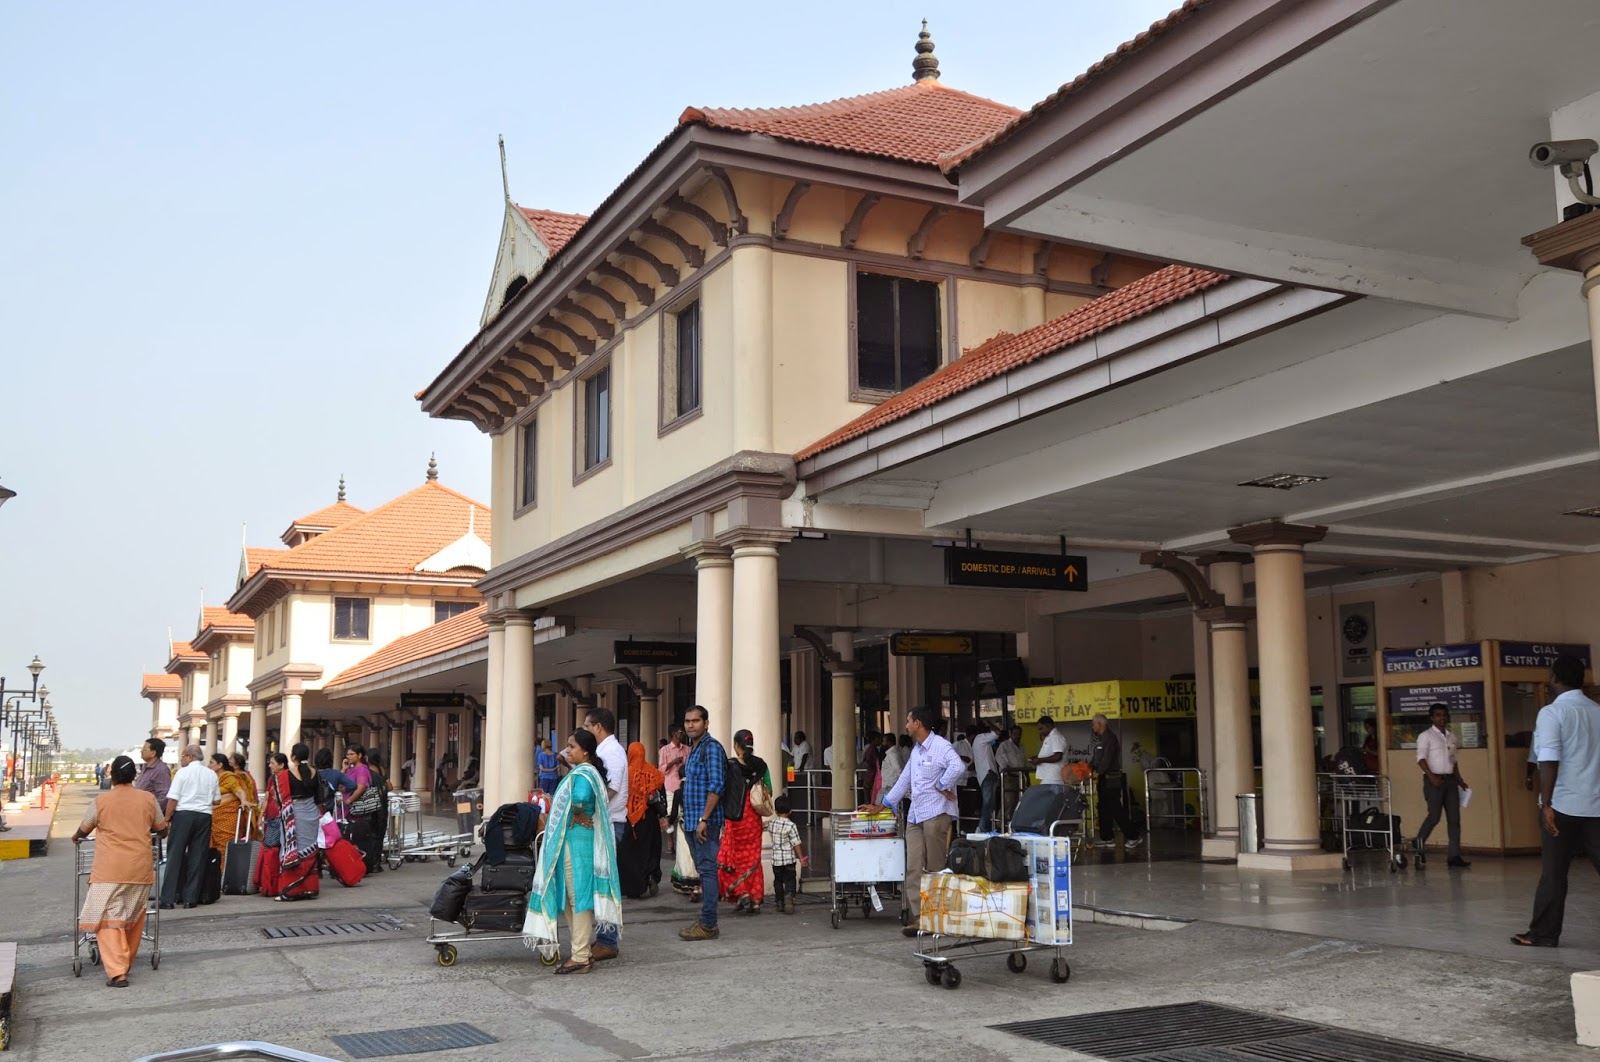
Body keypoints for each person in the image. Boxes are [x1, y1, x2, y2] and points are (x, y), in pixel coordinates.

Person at [1513, 654, 1600, 947]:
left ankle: (1544, 934)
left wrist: (1547, 803)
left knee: (1554, 873)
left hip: (1563, 807)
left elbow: (1548, 760)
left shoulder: (1552, 713)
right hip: (1597, 805)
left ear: (1555, 678)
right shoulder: (1597, 712)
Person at [859, 705, 965, 937]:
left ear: (918, 724)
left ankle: (936, 917)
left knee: (935, 867)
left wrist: (942, 785)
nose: (906, 725)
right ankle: (920, 917)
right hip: (916, 814)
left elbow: (958, 766)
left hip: (936, 813)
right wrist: (881, 806)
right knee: (913, 866)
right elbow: (904, 780)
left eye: (908, 720)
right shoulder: (917, 750)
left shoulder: (940, 746)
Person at [522, 728, 621, 975]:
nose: (567, 750)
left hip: (577, 843)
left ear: (585, 751)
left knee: (578, 898)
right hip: (574, 842)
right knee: (568, 897)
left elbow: (581, 796)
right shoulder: (584, 771)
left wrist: (576, 812)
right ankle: (581, 951)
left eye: (572, 746)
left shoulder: (584, 773)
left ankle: (580, 957)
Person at [72, 755, 168, 987]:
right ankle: (125, 962)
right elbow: (162, 829)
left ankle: (118, 971)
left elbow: (84, 829)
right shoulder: (148, 799)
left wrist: (76, 837)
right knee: (132, 917)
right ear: (134, 776)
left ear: (112, 776)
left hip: (109, 870)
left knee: (106, 919)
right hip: (140, 869)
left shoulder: (101, 801)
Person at [582, 708, 628, 962]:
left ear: (598, 727)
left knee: (606, 882)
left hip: (610, 823)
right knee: (600, 881)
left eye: (587, 726)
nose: (586, 730)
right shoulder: (602, 751)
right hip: (602, 823)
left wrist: (588, 805)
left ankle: (608, 940)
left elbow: (612, 788)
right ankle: (603, 937)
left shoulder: (612, 752)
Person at [678, 704, 727, 941]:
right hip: (691, 821)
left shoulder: (712, 748)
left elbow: (717, 786)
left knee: (707, 870)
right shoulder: (694, 749)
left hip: (705, 823)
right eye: (687, 721)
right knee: (703, 870)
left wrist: (704, 819)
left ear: (706, 723)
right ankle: (706, 921)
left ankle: (708, 924)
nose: (690, 725)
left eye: (695, 721)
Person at [159, 744, 220, 909]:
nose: (181, 760)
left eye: (183, 756)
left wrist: (167, 818)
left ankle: (168, 899)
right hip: (204, 816)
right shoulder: (211, 774)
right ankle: (190, 899)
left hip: (184, 815)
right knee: (197, 857)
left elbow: (173, 799)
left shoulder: (182, 773)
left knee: (175, 856)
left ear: (190, 757)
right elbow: (217, 800)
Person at [719, 729, 772, 916]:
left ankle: (741, 892)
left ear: (736, 745)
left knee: (732, 858)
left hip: (735, 818)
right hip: (753, 820)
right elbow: (769, 790)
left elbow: (722, 791)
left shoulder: (730, 765)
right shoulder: (761, 765)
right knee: (753, 859)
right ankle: (756, 901)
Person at [1414, 703, 1471, 869]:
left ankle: (1454, 856)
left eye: (1444, 715)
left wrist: (1460, 780)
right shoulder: (1426, 736)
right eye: (1438, 715)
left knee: (1454, 819)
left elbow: (1454, 760)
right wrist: (1432, 777)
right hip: (1434, 781)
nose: (1442, 718)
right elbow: (1420, 759)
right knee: (1434, 816)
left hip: (1451, 781)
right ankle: (1419, 844)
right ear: (1432, 718)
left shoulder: (1451, 736)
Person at [1084, 714, 1142, 849]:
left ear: (1100, 724)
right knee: (1103, 808)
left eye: (1093, 724)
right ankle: (1107, 838)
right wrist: (1088, 769)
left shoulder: (1110, 738)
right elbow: (1096, 759)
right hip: (1102, 779)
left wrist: (1098, 772)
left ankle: (1134, 836)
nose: (1092, 726)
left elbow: (1107, 760)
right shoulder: (1100, 739)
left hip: (1111, 778)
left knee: (1115, 808)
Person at [617, 741, 666, 898]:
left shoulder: (626, 773)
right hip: (649, 819)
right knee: (650, 849)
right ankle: (650, 875)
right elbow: (659, 796)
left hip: (629, 820)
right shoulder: (653, 773)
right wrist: (663, 815)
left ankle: (634, 887)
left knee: (629, 853)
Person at [207, 752, 254, 877]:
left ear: (220, 765)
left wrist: (244, 801)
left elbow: (239, 791)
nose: (208, 765)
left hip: (227, 818)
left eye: (211, 763)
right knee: (215, 849)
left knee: (226, 848)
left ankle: (226, 877)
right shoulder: (213, 778)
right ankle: (216, 877)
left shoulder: (229, 777)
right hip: (214, 819)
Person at [768, 793, 805, 914]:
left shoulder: (772, 824)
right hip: (789, 860)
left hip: (776, 860)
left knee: (778, 880)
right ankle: (789, 897)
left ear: (775, 811)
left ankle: (779, 901)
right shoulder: (791, 825)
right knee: (790, 879)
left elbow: (762, 826)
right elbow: (796, 843)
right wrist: (802, 859)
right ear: (790, 811)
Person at [973, 720, 1003, 833]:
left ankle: (985, 827)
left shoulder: (979, 741)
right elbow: (997, 732)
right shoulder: (981, 738)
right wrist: (990, 723)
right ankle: (981, 827)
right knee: (988, 803)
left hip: (985, 774)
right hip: (988, 773)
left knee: (989, 804)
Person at [134, 738, 171, 808]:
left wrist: (152, 811)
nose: (141, 751)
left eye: (144, 749)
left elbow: (164, 796)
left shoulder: (161, 770)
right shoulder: (145, 768)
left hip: (149, 811)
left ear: (153, 753)